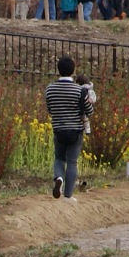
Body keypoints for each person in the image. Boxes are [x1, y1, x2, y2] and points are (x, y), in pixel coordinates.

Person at [43, 57, 96, 199]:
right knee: (72, 162)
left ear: (58, 70)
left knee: (59, 158)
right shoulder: (80, 91)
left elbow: (50, 109)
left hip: (58, 129)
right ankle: (67, 195)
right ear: (73, 71)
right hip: (75, 130)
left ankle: (58, 178)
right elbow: (89, 111)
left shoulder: (50, 89)